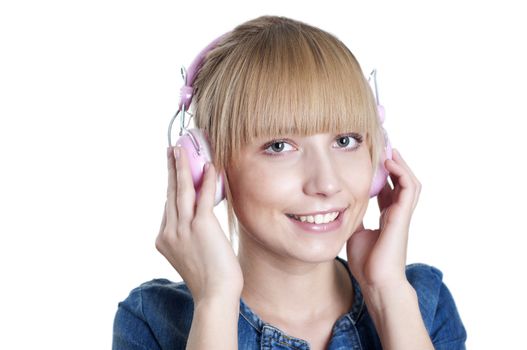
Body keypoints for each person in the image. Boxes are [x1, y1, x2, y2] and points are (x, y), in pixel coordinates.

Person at [112, 15, 466, 350]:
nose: (326, 183)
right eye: (279, 146)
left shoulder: (421, 302)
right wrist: (215, 301)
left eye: (345, 141)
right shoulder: (153, 319)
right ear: (206, 168)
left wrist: (387, 293)